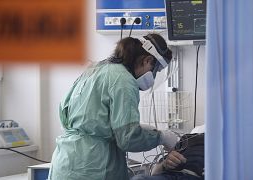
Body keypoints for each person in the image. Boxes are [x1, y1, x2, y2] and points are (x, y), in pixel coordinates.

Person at [48, 33, 180, 180]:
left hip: (65, 164)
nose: (153, 77)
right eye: (156, 71)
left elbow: (85, 118)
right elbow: (128, 139)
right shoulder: (123, 80)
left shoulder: (95, 70)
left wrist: (138, 128)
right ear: (147, 60)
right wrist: (161, 137)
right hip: (93, 167)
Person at [131, 125, 205, 180]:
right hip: (169, 175)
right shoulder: (189, 138)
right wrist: (164, 164)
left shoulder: (216, 145)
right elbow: (154, 172)